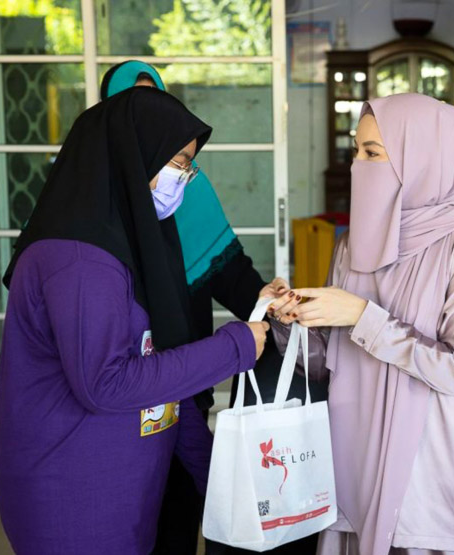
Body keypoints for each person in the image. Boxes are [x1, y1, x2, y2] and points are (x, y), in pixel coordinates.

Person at [0, 87, 270, 554]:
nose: (186, 177)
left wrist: (216, 481)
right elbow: (104, 383)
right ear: (131, 157)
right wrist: (235, 347)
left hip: (122, 482)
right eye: (179, 162)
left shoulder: (134, 245)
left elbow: (159, 373)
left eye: (189, 164)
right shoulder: (80, 259)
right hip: (71, 489)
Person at [270, 93, 454, 555]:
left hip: (438, 477)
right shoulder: (352, 244)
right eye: (356, 152)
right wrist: (293, 320)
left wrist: (362, 315)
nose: (356, 165)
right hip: (357, 455)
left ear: (422, 157)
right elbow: (327, 364)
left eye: (373, 154)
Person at [101, 60, 288, 554]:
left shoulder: (187, 186)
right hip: (113, 403)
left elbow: (227, 267)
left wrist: (267, 300)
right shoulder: (89, 195)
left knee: (180, 513)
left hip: (183, 383)